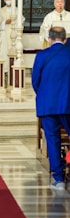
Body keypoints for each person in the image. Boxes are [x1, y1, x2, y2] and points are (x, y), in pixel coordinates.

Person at [32, 26, 70, 190]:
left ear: (49, 38)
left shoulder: (41, 56)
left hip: (47, 105)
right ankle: (68, 161)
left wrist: (45, 95)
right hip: (68, 104)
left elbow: (35, 82)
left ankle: (59, 179)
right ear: (64, 39)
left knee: (53, 140)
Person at [0, 0, 24, 73]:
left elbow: (21, 20)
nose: (8, 0)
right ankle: (5, 69)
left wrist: (14, 21)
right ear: (4, 0)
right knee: (5, 50)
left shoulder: (17, 10)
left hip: (15, 33)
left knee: (15, 50)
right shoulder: (1, 10)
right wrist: (4, 22)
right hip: (4, 33)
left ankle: (15, 68)